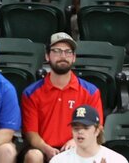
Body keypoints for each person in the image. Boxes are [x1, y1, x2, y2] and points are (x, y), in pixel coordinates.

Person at [21, 32, 105, 163]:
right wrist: (46, 149)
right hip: (43, 149)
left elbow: (97, 127)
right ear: (47, 56)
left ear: (74, 57)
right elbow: (31, 133)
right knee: (33, 155)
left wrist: (75, 141)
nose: (63, 56)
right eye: (57, 51)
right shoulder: (32, 92)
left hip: (76, 147)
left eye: (68, 52)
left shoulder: (90, 91)